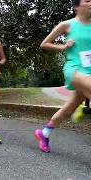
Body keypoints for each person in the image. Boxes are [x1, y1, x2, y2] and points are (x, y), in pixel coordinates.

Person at [36, 0, 91, 153]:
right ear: (76, 5)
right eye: (87, 0)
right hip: (74, 69)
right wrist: (63, 47)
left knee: (69, 108)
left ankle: (44, 133)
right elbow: (44, 44)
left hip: (89, 72)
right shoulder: (67, 25)